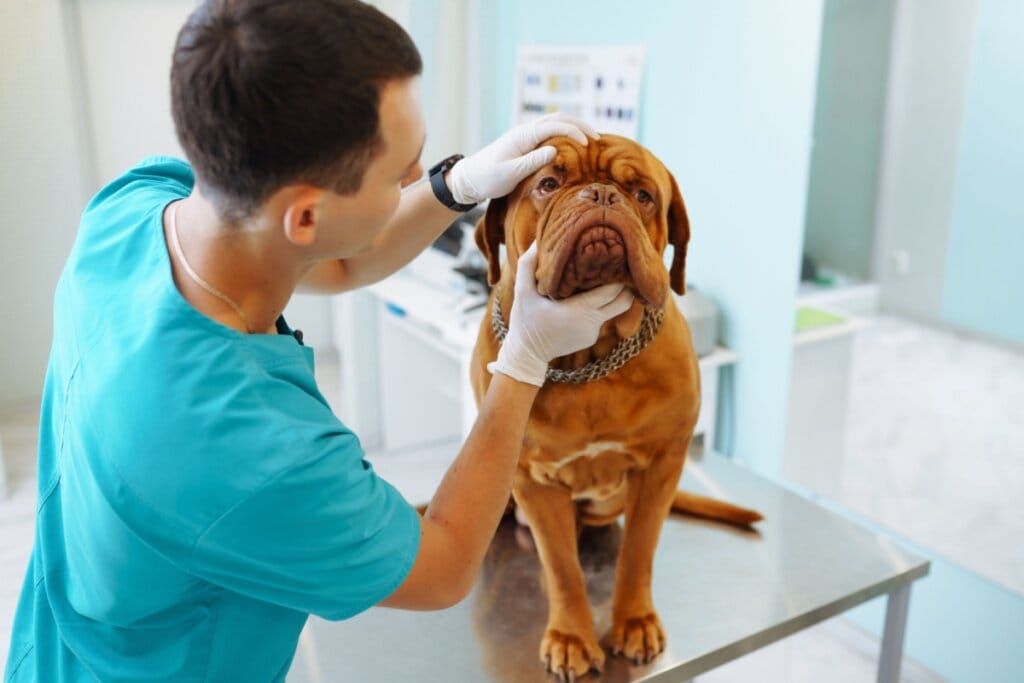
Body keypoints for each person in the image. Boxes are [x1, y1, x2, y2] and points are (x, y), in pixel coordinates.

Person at [4, 1, 633, 681]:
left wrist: (455, 185)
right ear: (305, 213)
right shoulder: (256, 451)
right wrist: (523, 360)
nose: (413, 177)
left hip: (61, 641)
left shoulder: (132, 208)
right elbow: (446, 564)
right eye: (402, 171)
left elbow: (334, 260)